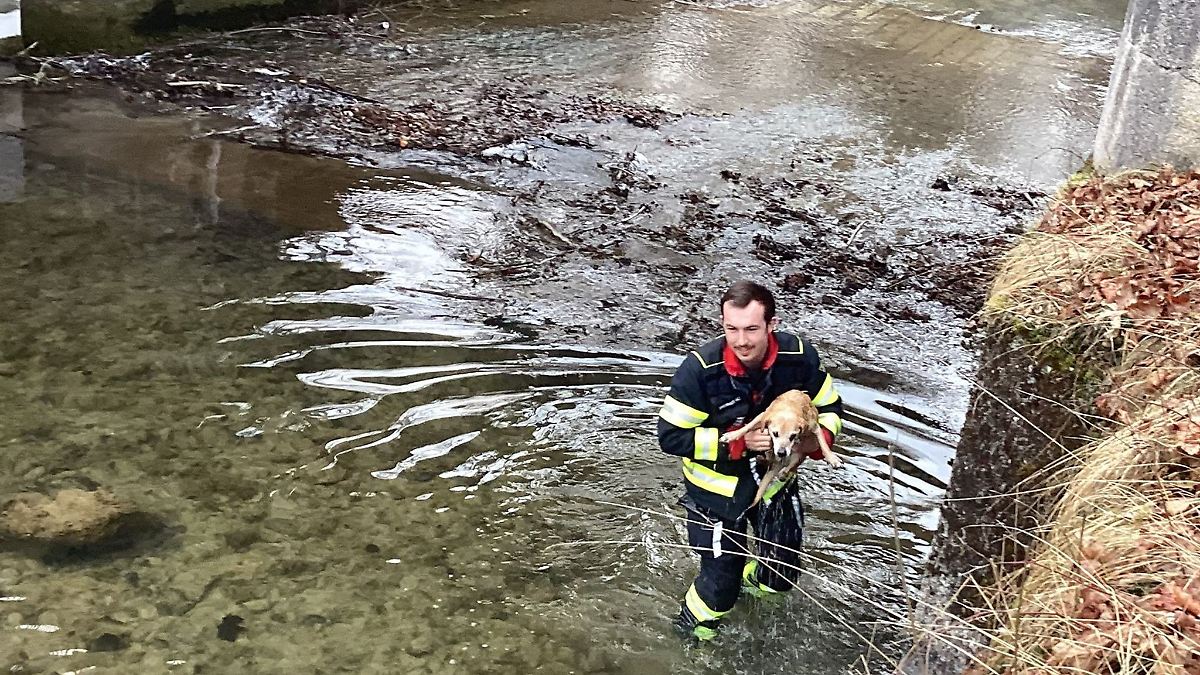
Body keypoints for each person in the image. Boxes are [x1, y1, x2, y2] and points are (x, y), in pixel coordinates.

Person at [657, 279, 844, 641]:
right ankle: (692, 641)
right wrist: (738, 446)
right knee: (718, 585)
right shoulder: (699, 371)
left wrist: (813, 445)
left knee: (781, 576)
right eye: (731, 329)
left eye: (751, 329)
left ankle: (754, 607)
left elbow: (830, 408)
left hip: (775, 483)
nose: (741, 341)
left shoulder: (799, 358)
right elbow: (670, 436)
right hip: (714, 494)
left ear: (771, 324)